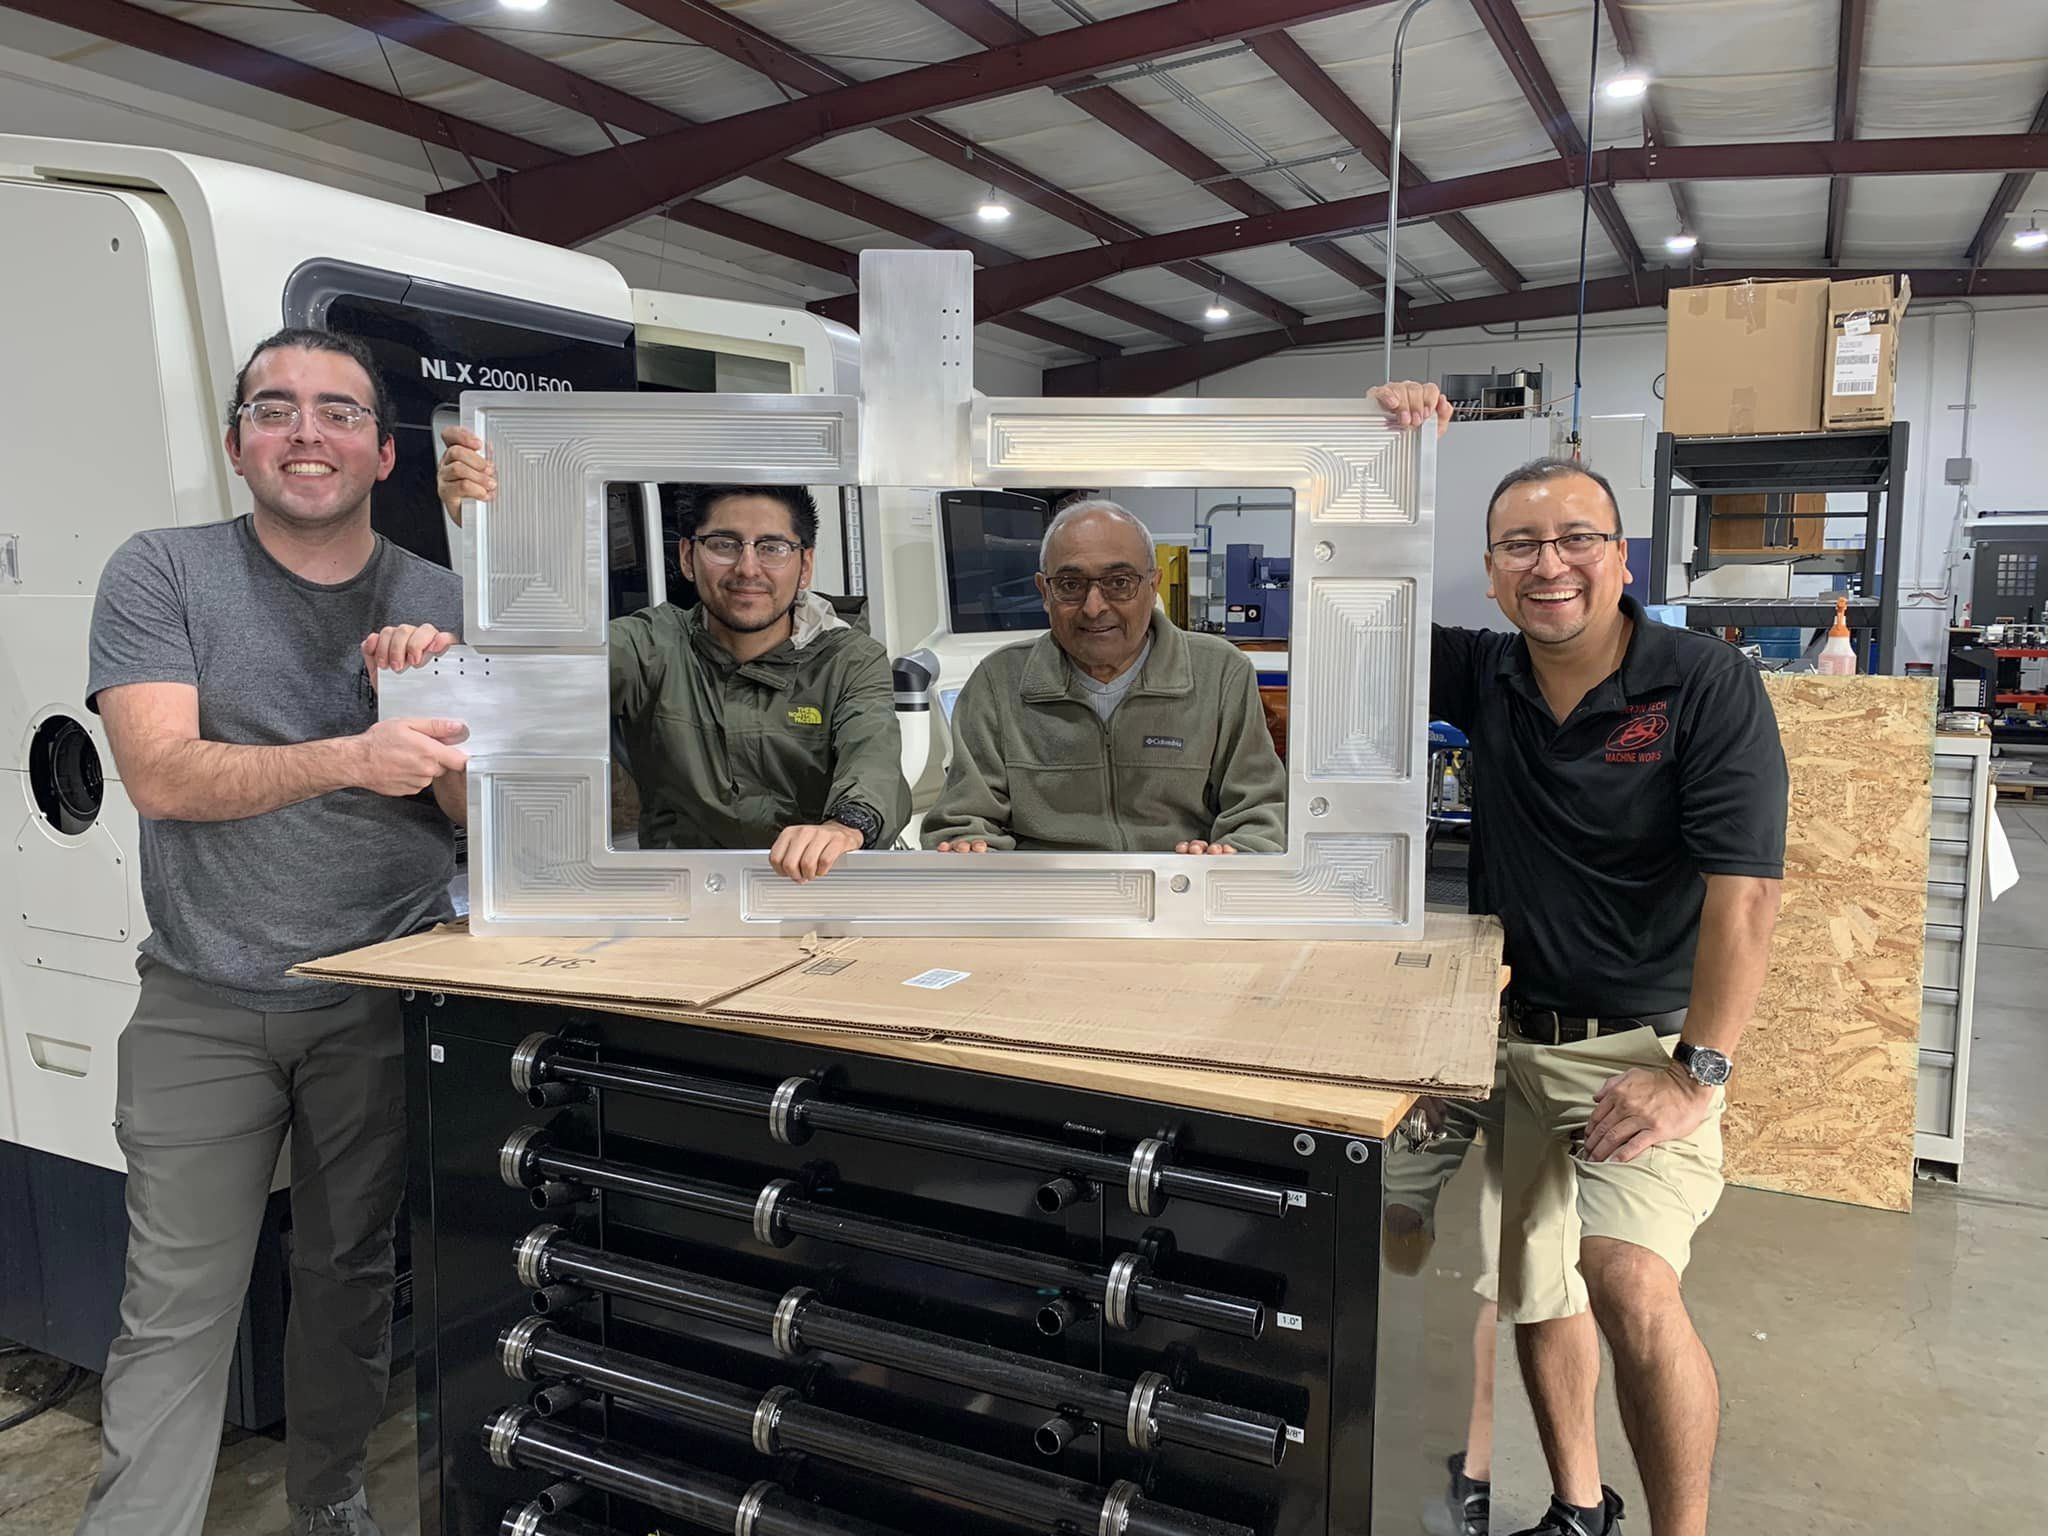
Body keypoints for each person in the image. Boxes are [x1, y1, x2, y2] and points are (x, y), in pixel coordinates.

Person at [1372, 381, 1787, 1536]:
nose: (1546, 565)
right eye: (1517, 546)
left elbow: (1743, 896)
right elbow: (1354, 596)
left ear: (1620, 556)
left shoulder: (1699, 684)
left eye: (1573, 540)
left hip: (1634, 1050)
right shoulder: (1480, 673)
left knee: (1625, 1281)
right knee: (1530, 1284)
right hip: (1498, 1036)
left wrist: (1692, 1073)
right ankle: (1576, 1504)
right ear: (1491, 568)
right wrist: (1383, 443)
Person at [78, 328, 472, 1536]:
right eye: (278, 408)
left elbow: (475, 814)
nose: (308, 433)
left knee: (349, 1280)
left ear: (381, 450)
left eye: (339, 412)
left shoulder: (440, 596)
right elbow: (162, 775)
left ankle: (332, 1500)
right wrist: (356, 750)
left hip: (377, 986)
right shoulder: (161, 572)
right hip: (205, 993)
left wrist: (430, 695)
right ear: (239, 440)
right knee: (176, 1303)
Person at [431, 431, 909, 880]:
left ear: (804, 565)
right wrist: (495, 539)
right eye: (723, 544)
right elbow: (543, 666)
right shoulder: (650, 646)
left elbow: (875, 764)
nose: (747, 567)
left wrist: (844, 828)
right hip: (685, 901)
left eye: (772, 547)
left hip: (817, 891)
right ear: (686, 557)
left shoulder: (850, 659)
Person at [921, 499, 1287, 854]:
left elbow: (1260, 813)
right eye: (1069, 585)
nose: (1094, 607)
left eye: (1119, 582)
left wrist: (1230, 856)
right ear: (1044, 592)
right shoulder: (997, 682)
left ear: (1152, 584)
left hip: (1177, 890)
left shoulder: (1220, 672)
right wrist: (969, 849)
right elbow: (962, 819)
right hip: (1049, 896)